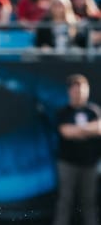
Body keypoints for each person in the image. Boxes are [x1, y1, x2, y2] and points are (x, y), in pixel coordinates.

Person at [52, 74, 101, 225]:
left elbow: (99, 128)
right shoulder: (63, 112)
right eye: (75, 89)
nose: (79, 92)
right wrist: (88, 129)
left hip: (90, 164)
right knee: (65, 200)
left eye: (82, 89)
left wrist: (78, 130)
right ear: (69, 91)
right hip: (68, 163)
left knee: (89, 202)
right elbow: (66, 132)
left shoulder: (94, 111)